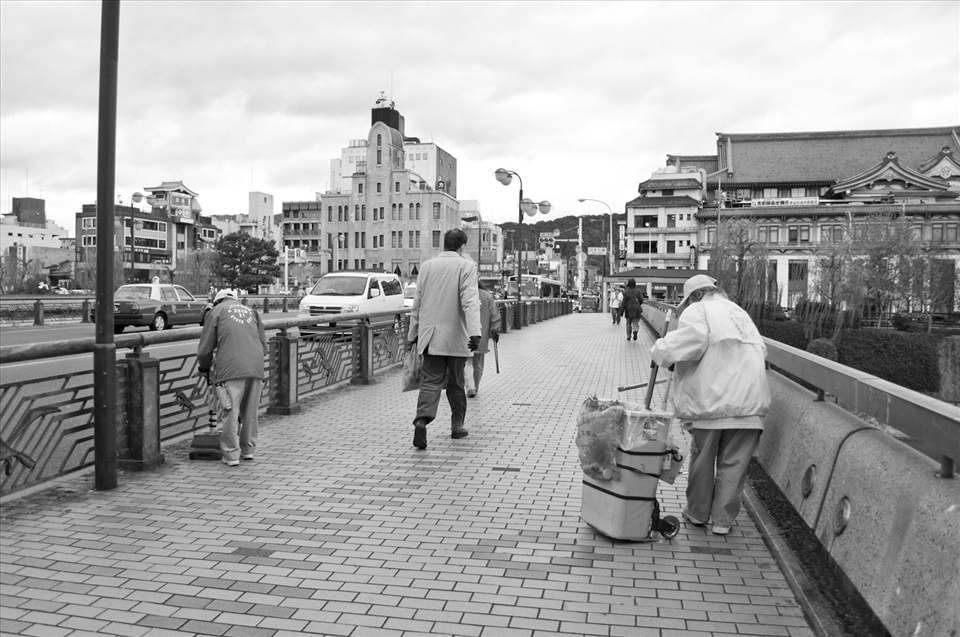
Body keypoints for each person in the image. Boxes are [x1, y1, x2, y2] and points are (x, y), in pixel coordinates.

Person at [649, 274, 771, 535]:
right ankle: (723, 522)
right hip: (751, 401)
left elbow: (686, 343)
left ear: (694, 296)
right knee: (735, 463)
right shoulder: (740, 313)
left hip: (715, 402)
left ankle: (698, 513)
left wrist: (659, 350)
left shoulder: (699, 310)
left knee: (703, 458)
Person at [407, 229, 481, 449]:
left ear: (444, 244)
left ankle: (422, 420)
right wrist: (475, 332)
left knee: (430, 381)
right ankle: (457, 427)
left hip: (430, 336)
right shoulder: (466, 266)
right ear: (462, 246)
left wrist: (413, 335)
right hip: (457, 336)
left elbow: (417, 304)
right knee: (456, 383)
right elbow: (470, 302)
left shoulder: (427, 266)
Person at [197, 288, 268, 467]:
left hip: (231, 367)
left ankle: (231, 454)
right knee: (250, 411)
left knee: (230, 410)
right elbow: (264, 346)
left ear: (217, 301)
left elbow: (205, 348)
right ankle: (248, 450)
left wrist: (205, 366)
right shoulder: (252, 312)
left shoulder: (217, 311)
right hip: (255, 366)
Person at [465, 280, 501, 398]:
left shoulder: (463, 293)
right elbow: (494, 315)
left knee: (467, 362)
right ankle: (475, 386)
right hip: (481, 335)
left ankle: (470, 386)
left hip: (464, 333)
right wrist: (495, 329)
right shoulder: (487, 296)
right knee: (478, 364)